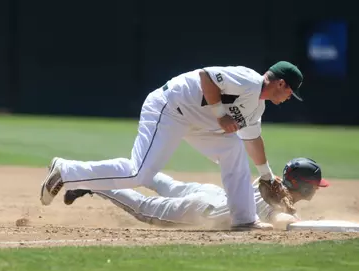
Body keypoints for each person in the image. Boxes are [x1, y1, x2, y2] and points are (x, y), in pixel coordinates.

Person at [40, 61, 304, 231]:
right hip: (170, 108)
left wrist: (268, 176)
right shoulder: (248, 80)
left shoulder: (257, 105)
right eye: (290, 92)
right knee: (138, 173)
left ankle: (244, 219)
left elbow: (252, 139)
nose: (289, 97)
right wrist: (221, 113)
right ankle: (67, 171)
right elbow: (206, 76)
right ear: (281, 83)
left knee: (233, 149)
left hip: (199, 123)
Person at [63, 158, 330, 230]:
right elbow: (279, 221)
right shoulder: (277, 205)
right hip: (203, 209)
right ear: (306, 188)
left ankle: (129, 165)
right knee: (144, 208)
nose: (317, 190)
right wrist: (294, 219)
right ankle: (92, 181)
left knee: (166, 184)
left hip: (211, 194)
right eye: (316, 186)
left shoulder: (269, 182)